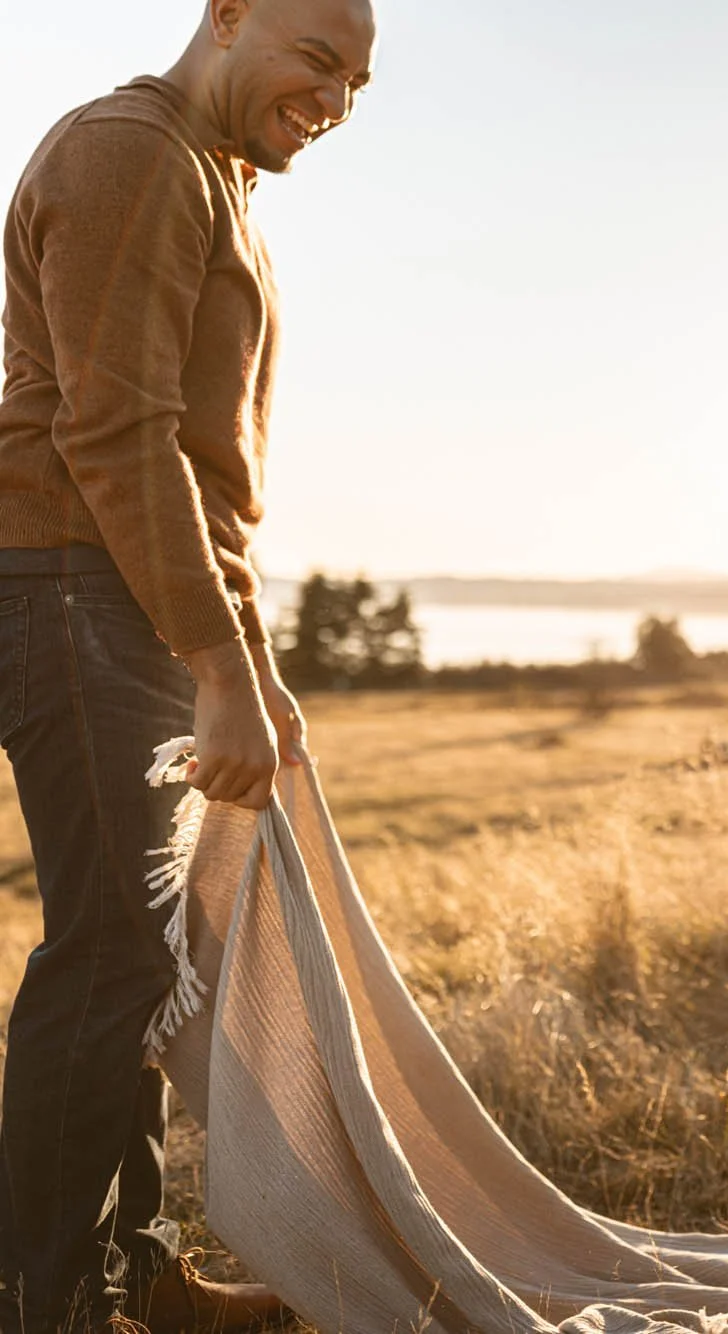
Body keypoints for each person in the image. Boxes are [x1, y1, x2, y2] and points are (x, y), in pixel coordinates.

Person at [0, 1, 376, 1329]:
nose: (336, 100)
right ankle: (45, 1297)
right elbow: (115, 431)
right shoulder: (131, 151)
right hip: (70, 578)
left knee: (146, 950)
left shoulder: (208, 177)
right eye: (318, 58)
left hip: (131, 589)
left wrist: (250, 663)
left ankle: (136, 1273)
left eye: (359, 83)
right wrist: (215, 663)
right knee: (113, 946)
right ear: (225, 15)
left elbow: (207, 479)